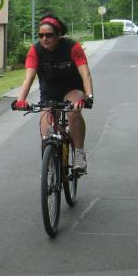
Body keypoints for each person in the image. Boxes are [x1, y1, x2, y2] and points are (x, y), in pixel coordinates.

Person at [13, 14, 94, 172]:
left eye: (49, 35)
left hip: (72, 89)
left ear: (58, 35)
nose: (44, 39)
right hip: (49, 92)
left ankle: (79, 153)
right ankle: (51, 168)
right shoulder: (35, 50)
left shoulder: (72, 47)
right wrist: (20, 100)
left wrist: (89, 97)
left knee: (73, 112)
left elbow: (85, 73)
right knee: (46, 135)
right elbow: (29, 77)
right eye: (41, 35)